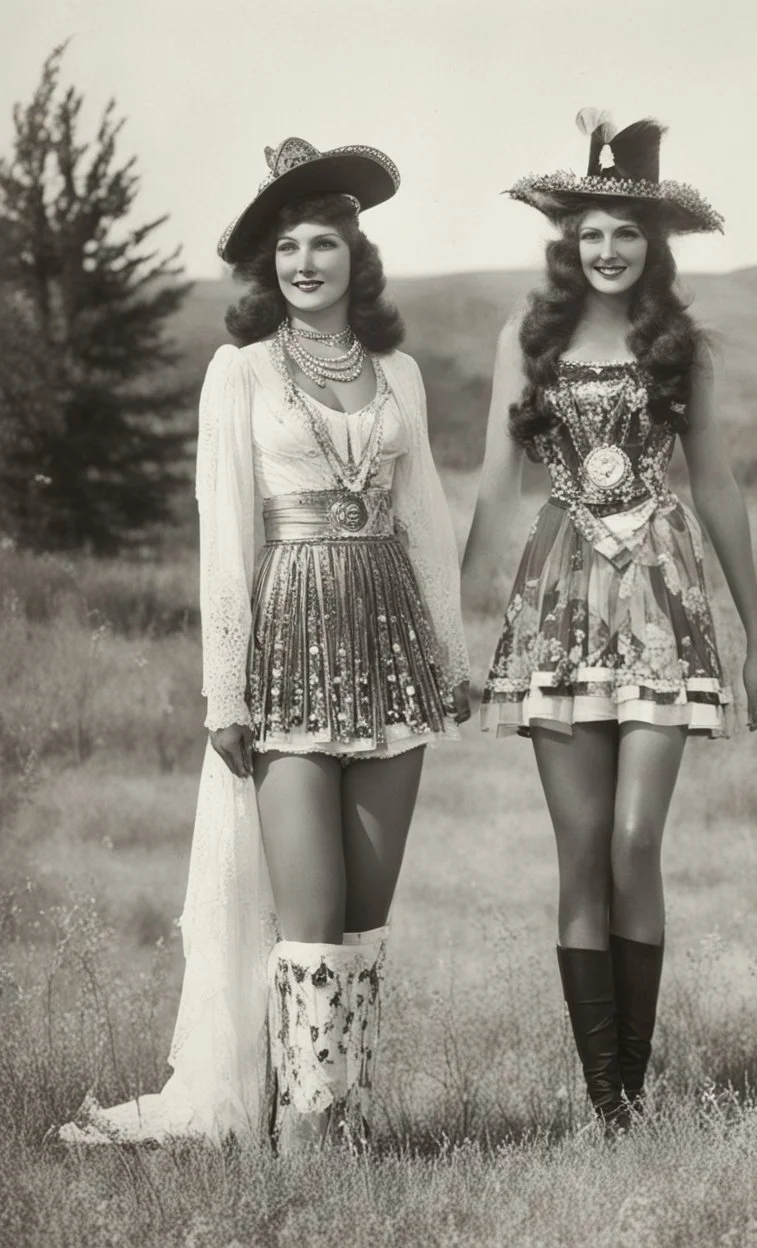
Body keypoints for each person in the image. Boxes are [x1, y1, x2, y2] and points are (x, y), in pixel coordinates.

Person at [59, 137, 469, 1151]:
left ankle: (342, 1117)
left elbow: (424, 521)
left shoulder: (399, 376)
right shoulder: (239, 374)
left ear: (354, 257)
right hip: (286, 651)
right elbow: (225, 540)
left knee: (366, 920)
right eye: (287, 247)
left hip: (387, 651)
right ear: (267, 266)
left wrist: (451, 660)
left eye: (323, 243)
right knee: (310, 920)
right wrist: (224, 695)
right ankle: (302, 1139)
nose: (304, 264)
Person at [462, 110, 757, 1130]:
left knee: (636, 841)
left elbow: (718, 487)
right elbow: (496, 488)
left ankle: (628, 1091)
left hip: (662, 600)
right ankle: (609, 1107)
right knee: (582, 844)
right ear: (569, 240)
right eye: (589, 231)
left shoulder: (681, 347)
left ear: (654, 244)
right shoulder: (530, 337)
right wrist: (452, 619)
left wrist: (756, 633)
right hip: (557, 598)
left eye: (625, 233)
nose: (605, 249)